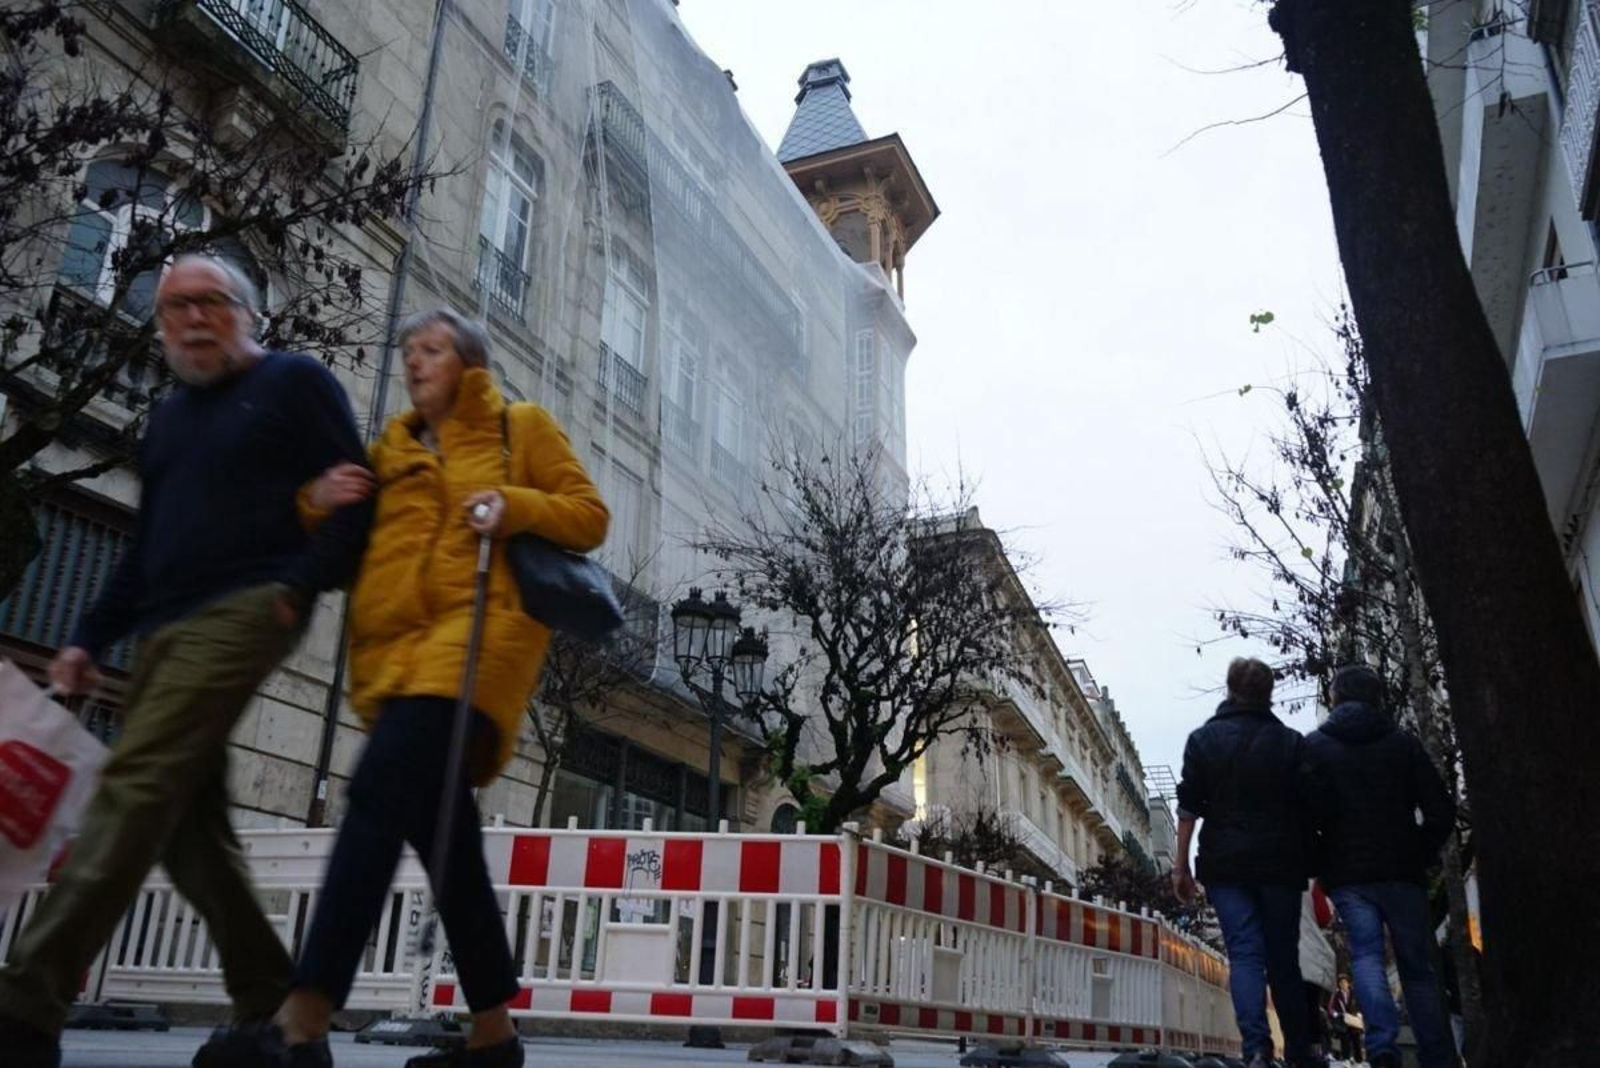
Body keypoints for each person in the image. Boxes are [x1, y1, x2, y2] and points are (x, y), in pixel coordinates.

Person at [0, 256, 375, 1068]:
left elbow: (357, 494)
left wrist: (297, 587)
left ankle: (26, 1006)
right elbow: (144, 548)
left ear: (248, 312)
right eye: (173, 309)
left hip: (249, 609)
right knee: (188, 828)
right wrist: (88, 640)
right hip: (166, 629)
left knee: (134, 784)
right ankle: (278, 1014)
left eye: (210, 303)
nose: (191, 320)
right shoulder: (169, 420)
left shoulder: (295, 383)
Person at [227, 308, 608, 1068]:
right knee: (448, 846)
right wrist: (313, 502)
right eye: (407, 352)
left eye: (429, 350)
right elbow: (358, 540)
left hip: (475, 654)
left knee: (372, 801)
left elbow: (588, 516)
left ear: (467, 363)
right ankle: (493, 1033)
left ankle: (302, 1018)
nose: (413, 363)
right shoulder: (393, 450)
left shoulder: (518, 427)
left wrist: (513, 507)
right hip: (396, 664)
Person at [1302, 664, 1458, 1068]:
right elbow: (1441, 810)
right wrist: (1419, 850)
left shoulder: (1316, 747)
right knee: (1417, 966)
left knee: (1367, 957)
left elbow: (1303, 814)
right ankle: (1437, 1054)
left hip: (1348, 873)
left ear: (1334, 699)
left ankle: (1383, 1046)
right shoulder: (1402, 744)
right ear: (1378, 698)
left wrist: (1323, 860)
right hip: (1402, 869)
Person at [1172, 657, 1316, 1068]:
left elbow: (1187, 810)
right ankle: (1300, 1051)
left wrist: (1180, 868)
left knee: (1245, 953)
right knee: (1283, 957)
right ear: (1268, 694)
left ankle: (1257, 1047)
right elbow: (1311, 805)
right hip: (1280, 864)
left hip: (1226, 865)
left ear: (1229, 689)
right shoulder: (1291, 742)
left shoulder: (1202, 741)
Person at [1328, 973, 1365, 1064]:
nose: (1343, 984)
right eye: (1341, 982)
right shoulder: (1337, 994)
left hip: (1354, 1020)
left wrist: (1360, 1013)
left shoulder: (1354, 993)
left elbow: (1361, 1003)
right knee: (1345, 1041)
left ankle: (1359, 1061)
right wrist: (1336, 1014)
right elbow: (1330, 1007)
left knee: (1356, 1041)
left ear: (1348, 983)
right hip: (1343, 1020)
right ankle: (1346, 1059)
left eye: (1345, 982)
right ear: (1339, 984)